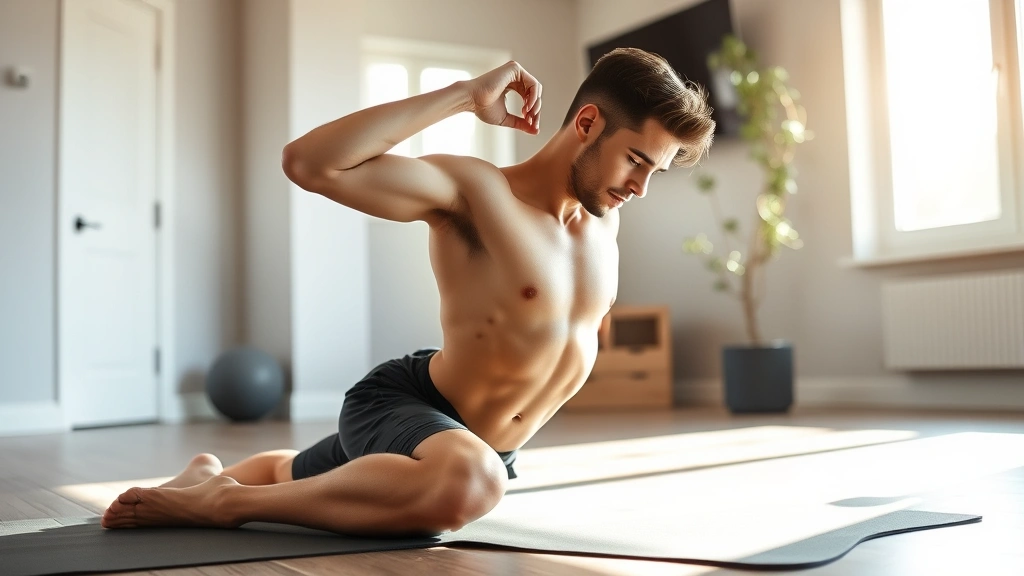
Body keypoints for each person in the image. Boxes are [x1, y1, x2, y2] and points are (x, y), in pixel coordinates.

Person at [102, 47, 715, 537]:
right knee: (469, 483)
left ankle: (209, 475)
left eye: (653, 171)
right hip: (411, 407)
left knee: (305, 473)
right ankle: (222, 508)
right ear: (587, 123)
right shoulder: (476, 192)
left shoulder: (604, 218)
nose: (639, 186)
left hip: (470, 445)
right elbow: (310, 164)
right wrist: (462, 96)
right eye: (636, 161)